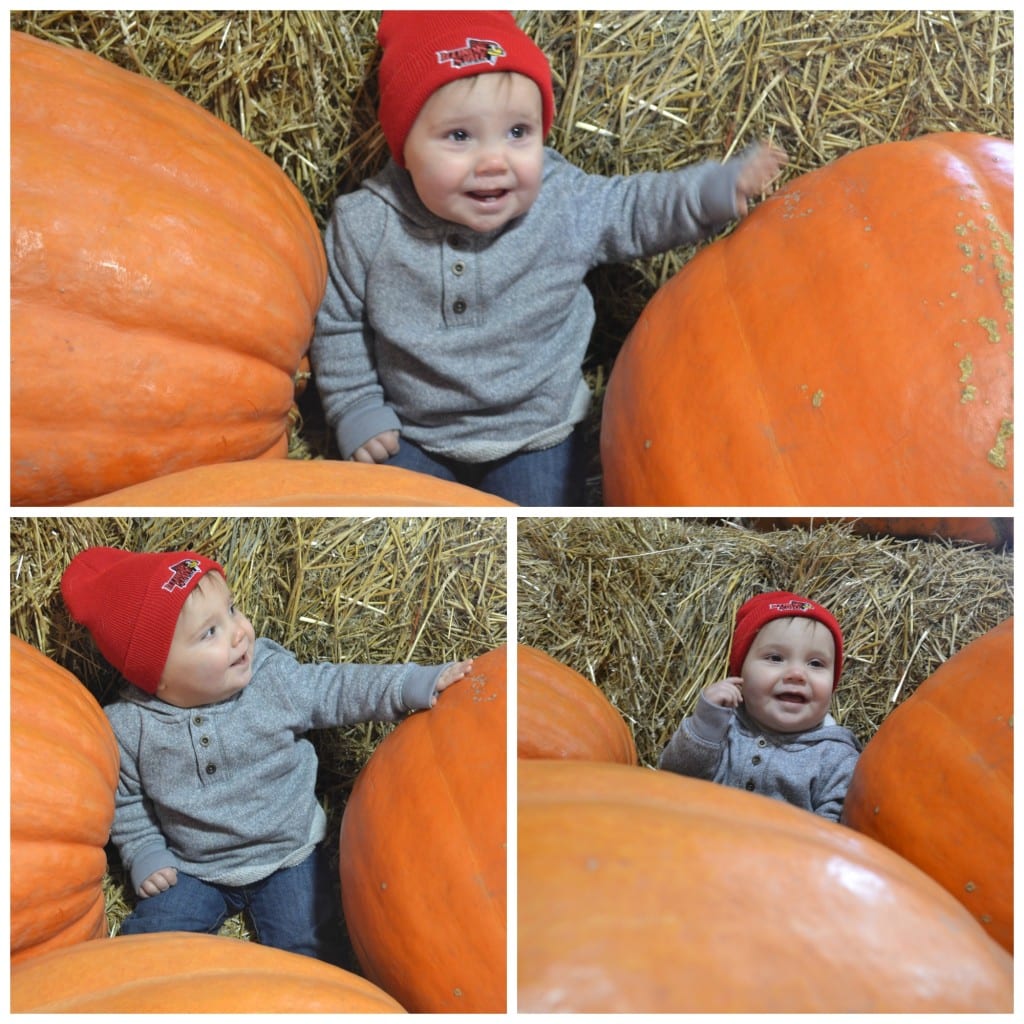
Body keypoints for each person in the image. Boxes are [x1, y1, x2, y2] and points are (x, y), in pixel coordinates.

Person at [311, 10, 787, 506]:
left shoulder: (562, 203)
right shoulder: (365, 224)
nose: (494, 161)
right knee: (392, 527)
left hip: (538, 432)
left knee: (541, 524)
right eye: (459, 136)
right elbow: (340, 324)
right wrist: (357, 408)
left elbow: (635, 209)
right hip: (412, 432)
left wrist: (713, 190)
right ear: (404, 146)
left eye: (518, 132)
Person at [60, 546, 473, 963]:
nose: (239, 631)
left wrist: (412, 685)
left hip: (289, 854)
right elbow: (126, 798)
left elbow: (339, 689)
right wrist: (145, 852)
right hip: (195, 868)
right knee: (145, 946)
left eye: (233, 610)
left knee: (310, 951)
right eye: (210, 633)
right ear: (157, 674)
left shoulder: (273, 680)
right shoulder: (131, 727)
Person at [658, 591, 860, 821]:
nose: (796, 674)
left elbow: (836, 833)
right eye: (775, 658)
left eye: (815, 663)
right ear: (741, 671)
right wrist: (705, 724)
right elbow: (671, 778)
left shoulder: (837, 756)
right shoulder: (724, 728)